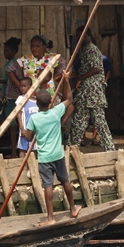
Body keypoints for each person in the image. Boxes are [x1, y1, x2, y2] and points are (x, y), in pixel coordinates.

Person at [20, 88, 81, 225]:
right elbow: (69, 99)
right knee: (65, 181)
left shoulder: (34, 119)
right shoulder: (56, 112)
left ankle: (50, 218)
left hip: (44, 158)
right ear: (50, 103)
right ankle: (72, 208)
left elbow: (29, 138)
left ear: (37, 104)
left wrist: (28, 131)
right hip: (58, 155)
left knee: (48, 185)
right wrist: (66, 81)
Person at [66, 27, 114, 151]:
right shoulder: (84, 51)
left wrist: (80, 78)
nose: (79, 39)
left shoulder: (92, 50)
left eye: (81, 36)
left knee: (99, 122)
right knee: (78, 121)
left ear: (87, 36)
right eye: (77, 37)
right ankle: (72, 148)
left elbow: (96, 69)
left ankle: (110, 150)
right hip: (85, 94)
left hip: (93, 93)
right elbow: (84, 69)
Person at [14, 77, 39, 155]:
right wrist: (22, 128)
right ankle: (22, 165)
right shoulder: (21, 98)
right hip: (25, 129)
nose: (22, 88)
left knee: (34, 149)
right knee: (23, 149)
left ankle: (33, 166)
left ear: (31, 86)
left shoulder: (36, 100)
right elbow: (19, 113)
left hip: (35, 131)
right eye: (21, 86)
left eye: (24, 86)